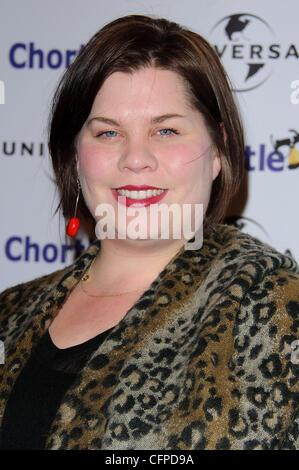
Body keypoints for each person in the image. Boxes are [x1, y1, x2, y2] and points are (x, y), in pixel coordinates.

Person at [0, 15, 298, 451]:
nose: (135, 158)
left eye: (165, 130)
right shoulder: (10, 313)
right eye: (107, 132)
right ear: (74, 155)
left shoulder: (275, 309)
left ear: (216, 150)